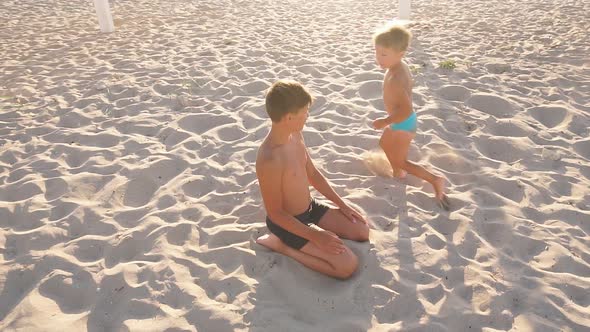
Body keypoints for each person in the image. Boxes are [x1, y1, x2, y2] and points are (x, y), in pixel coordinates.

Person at [255, 80, 370, 279]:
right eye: (304, 112)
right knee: (347, 267)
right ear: (289, 117)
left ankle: (316, 234)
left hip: (309, 209)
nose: (307, 116)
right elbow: (275, 213)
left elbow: (313, 174)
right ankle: (282, 247)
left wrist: (342, 205)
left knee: (361, 230)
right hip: (287, 224)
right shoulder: (270, 158)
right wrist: (315, 236)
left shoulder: (296, 134)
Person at [372, 24, 450, 210]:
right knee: (384, 144)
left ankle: (435, 180)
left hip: (403, 123)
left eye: (384, 54)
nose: (378, 58)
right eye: (377, 52)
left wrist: (386, 121)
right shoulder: (398, 67)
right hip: (399, 120)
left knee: (401, 160)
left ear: (400, 54)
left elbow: (406, 110)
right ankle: (398, 172)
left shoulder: (396, 79)